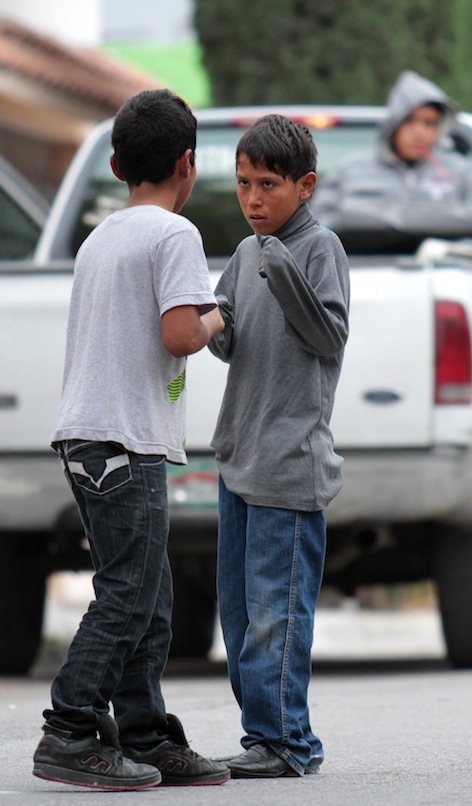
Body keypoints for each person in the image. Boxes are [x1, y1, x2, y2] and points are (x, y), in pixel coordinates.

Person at [32, 89, 230, 791]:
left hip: (90, 438)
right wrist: (217, 317)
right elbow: (181, 333)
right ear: (188, 164)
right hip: (123, 443)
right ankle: (70, 729)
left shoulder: (102, 236)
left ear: (116, 164)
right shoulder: (173, 236)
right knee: (127, 595)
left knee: (150, 593)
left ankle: (145, 734)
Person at [208, 114, 350, 778]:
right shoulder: (244, 251)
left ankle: (289, 741)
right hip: (239, 459)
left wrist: (280, 268)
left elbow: (327, 338)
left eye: (268, 184)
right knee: (238, 618)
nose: (253, 198)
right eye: (242, 183)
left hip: (291, 466)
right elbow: (229, 336)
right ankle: (261, 734)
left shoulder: (319, 249)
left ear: (305, 185)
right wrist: (195, 314)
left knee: (277, 615)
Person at [311, 70, 472, 241]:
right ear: (394, 124)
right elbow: (319, 226)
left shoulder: (460, 171)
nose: (419, 132)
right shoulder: (350, 170)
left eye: (429, 123)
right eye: (409, 121)